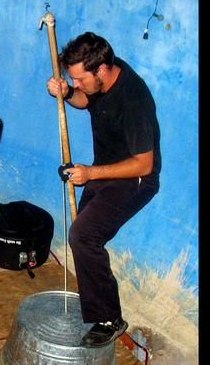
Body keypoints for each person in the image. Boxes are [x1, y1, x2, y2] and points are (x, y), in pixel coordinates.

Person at [47, 32, 161, 347]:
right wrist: (67, 92)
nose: (77, 83)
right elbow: (86, 99)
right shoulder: (101, 76)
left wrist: (90, 173)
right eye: (73, 78)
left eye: (79, 79)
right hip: (105, 169)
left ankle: (110, 319)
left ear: (101, 70)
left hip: (134, 178)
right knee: (82, 234)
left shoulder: (134, 99)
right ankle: (95, 299)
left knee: (83, 236)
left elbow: (144, 164)